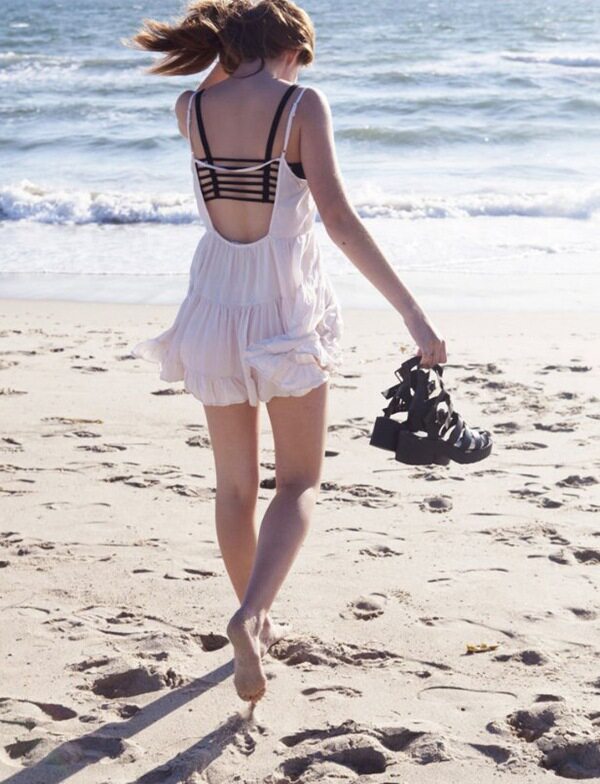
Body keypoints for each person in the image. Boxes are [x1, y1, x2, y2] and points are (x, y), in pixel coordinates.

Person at [126, 0, 447, 705]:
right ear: (293, 48)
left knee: (234, 488)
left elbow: (218, 80)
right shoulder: (302, 105)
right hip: (283, 311)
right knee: (298, 483)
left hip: (213, 308)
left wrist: (233, 47)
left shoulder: (191, 108)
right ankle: (252, 616)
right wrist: (412, 311)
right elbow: (337, 218)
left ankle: (255, 616)